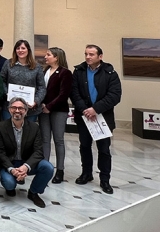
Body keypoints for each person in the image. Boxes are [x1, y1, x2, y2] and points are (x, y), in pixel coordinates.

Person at [71, 44, 122, 194]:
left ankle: (105, 179)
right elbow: (74, 93)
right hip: (84, 117)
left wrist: (96, 109)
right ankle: (86, 173)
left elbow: (115, 95)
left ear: (100, 56)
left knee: (104, 150)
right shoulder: (79, 71)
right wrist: (85, 110)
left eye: (91, 54)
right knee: (84, 146)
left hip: (103, 117)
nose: (87, 57)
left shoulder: (110, 72)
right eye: (86, 54)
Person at [0, 97, 54, 208]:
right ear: (9, 110)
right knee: (9, 183)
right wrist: (12, 170)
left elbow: (38, 152)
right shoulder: (0, 127)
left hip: (26, 162)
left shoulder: (34, 128)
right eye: (14, 108)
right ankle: (10, 188)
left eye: (21, 108)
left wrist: (26, 167)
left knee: (48, 167)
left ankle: (33, 192)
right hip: (9, 164)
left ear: (26, 111)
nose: (17, 111)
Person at [39, 47, 73, 184]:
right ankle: (45, 167)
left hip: (58, 110)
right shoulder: (45, 71)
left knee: (58, 140)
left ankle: (60, 170)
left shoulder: (65, 73)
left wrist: (49, 106)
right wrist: (42, 105)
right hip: (43, 110)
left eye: (48, 55)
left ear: (57, 57)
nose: (45, 57)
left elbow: (64, 94)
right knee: (45, 139)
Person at [0, 39, 46, 122]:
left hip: (30, 108)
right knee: (9, 132)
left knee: (28, 133)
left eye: (23, 48)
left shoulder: (37, 66)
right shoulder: (8, 63)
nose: (20, 50)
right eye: (18, 48)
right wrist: (7, 93)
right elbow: (1, 80)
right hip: (10, 106)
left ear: (28, 50)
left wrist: (35, 101)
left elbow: (42, 87)